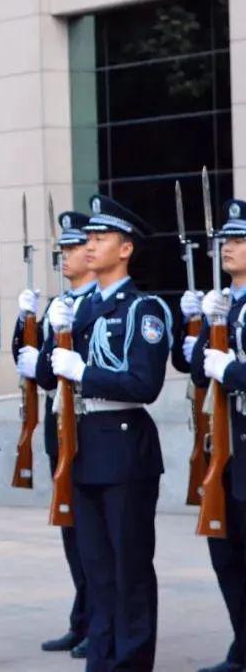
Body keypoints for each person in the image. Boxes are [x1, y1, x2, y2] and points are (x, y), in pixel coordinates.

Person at [34, 195, 172, 671]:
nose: (89, 245)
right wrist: (52, 339)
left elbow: (145, 383)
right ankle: (102, 659)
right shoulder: (77, 307)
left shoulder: (143, 309)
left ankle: (131, 662)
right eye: (87, 238)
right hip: (83, 444)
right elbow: (51, 375)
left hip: (123, 443)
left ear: (125, 248)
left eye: (100, 238)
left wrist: (83, 370)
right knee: (97, 569)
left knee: (129, 568)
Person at [13, 211, 96, 660]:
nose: (64, 256)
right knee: (71, 528)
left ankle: (97, 620)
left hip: (89, 425)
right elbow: (35, 367)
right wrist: (26, 319)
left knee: (92, 534)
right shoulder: (58, 306)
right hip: (57, 426)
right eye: (61, 249)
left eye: (73, 247)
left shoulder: (92, 305)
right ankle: (82, 617)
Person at [181, 199, 246, 672]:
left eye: (240, 240)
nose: (229, 247)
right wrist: (206, 324)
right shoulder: (225, 300)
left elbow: (226, 371)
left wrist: (236, 370)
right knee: (226, 552)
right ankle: (242, 645)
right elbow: (196, 369)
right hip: (225, 444)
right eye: (227, 240)